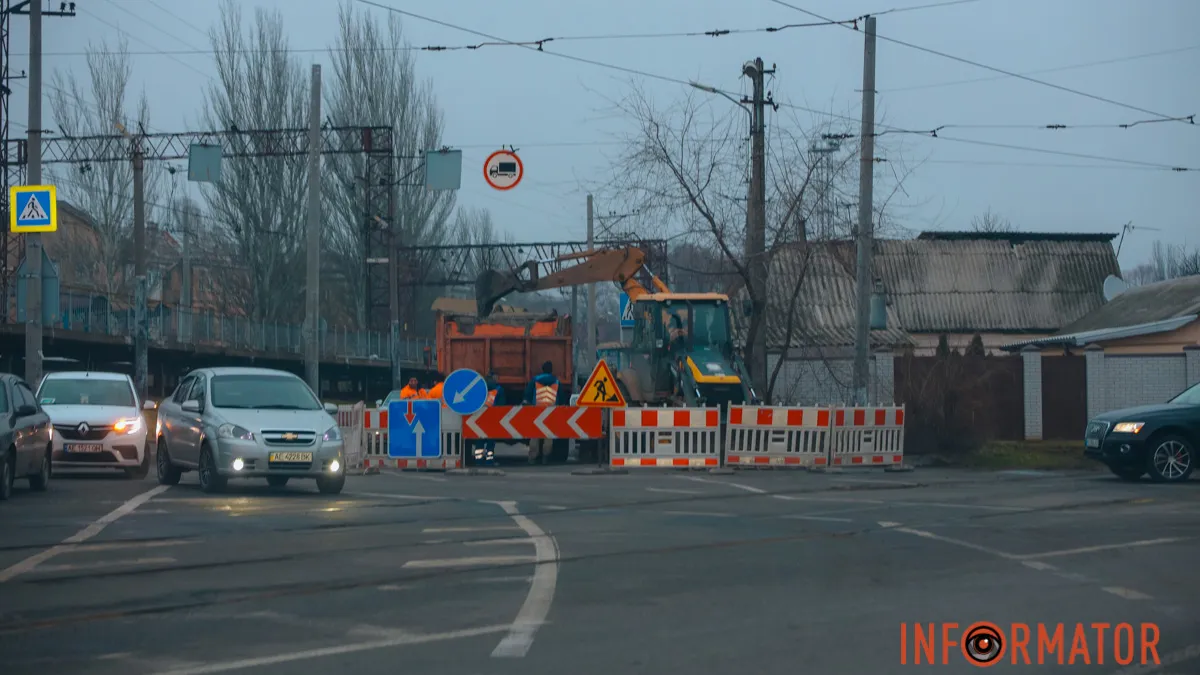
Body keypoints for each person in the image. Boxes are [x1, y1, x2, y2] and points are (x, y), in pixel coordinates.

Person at [523, 361, 560, 464]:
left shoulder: (535, 380)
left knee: (535, 434)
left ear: (542, 369)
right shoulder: (556, 381)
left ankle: (533, 457)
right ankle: (546, 457)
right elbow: (560, 397)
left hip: (537, 410)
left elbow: (528, 395)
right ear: (551, 370)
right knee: (548, 435)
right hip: (551, 411)